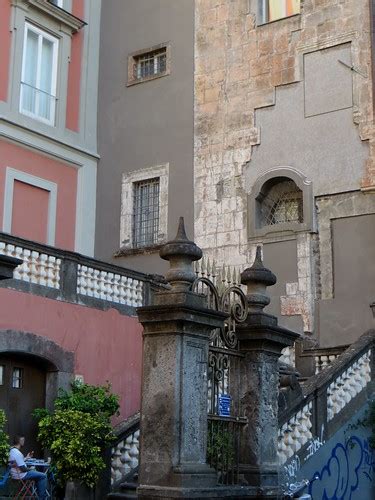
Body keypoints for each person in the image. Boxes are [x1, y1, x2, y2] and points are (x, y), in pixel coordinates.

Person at [9, 435, 47, 500]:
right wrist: (31, 469)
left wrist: (26, 458)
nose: (24, 442)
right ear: (19, 441)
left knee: (37, 476)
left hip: (14, 474)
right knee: (43, 476)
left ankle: (39, 495)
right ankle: (42, 498)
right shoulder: (18, 453)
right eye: (23, 440)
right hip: (21, 475)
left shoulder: (12, 450)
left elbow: (18, 462)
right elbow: (23, 469)